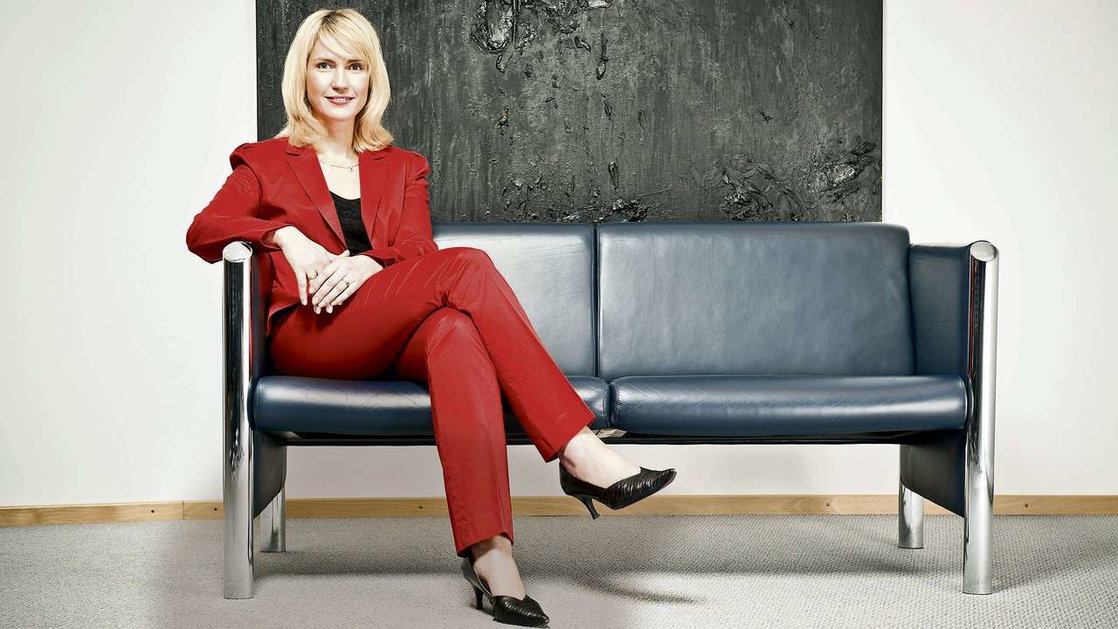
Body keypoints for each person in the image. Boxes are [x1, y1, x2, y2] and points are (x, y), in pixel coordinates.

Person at [185, 8, 675, 627]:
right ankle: (578, 449)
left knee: (455, 332)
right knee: (467, 265)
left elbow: (416, 249)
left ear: (372, 77)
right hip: (315, 335)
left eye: (354, 66)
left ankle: (492, 557)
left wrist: (366, 265)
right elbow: (204, 230)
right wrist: (285, 235)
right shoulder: (265, 161)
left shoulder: (402, 165)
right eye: (325, 65)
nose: (340, 81)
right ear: (302, 76)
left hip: (388, 328)